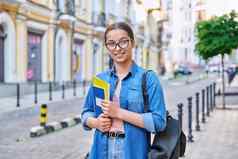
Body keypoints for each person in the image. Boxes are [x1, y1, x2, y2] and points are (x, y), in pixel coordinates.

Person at [81, 22, 167, 159]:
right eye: (111, 43)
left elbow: (159, 122)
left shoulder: (148, 78)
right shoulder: (99, 79)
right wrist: (95, 123)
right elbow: (86, 113)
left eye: (123, 42)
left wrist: (119, 113)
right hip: (101, 151)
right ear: (107, 47)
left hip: (133, 152)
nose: (117, 48)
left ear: (132, 43)